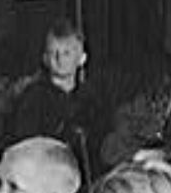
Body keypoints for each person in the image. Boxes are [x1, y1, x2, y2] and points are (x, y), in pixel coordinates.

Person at [7, 19, 101, 156]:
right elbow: (25, 147)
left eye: (66, 53)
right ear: (45, 58)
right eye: (53, 53)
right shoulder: (33, 98)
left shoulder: (91, 98)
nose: (59, 59)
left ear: (82, 58)